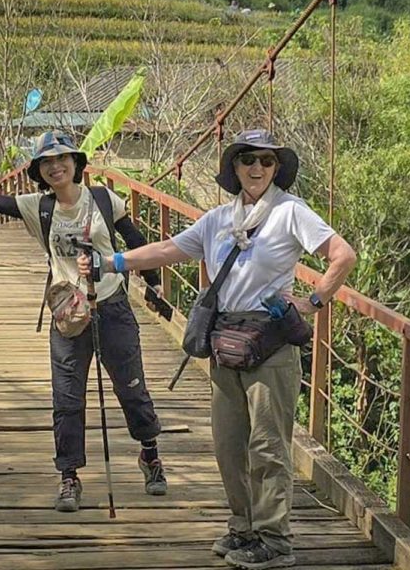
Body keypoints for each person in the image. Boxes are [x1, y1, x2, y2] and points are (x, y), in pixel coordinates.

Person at [78, 128, 357, 569]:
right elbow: (170, 248)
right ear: (235, 168)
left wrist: (314, 300)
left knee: (267, 447)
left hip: (271, 344)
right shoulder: (218, 219)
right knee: (229, 446)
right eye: (249, 160)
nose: (258, 169)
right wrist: (113, 260)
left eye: (267, 161)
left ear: (277, 169)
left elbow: (342, 255)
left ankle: (275, 540)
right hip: (226, 342)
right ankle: (243, 526)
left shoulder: (290, 212)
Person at [0, 130, 168, 512]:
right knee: (67, 398)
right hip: (69, 314)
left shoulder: (102, 199)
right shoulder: (38, 207)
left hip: (113, 306)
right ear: (38, 171)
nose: (55, 166)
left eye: (62, 159)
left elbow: (134, 241)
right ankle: (69, 476)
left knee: (131, 388)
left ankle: (149, 454)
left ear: (76, 164)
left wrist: (154, 285)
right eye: (46, 162)